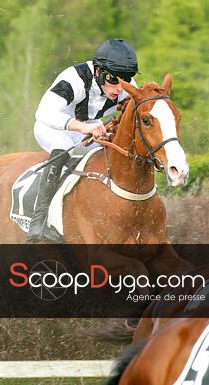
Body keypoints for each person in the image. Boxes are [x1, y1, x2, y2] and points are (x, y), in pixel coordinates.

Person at [28, 38, 139, 243]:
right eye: (113, 79)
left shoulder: (127, 87)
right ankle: (39, 218)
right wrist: (84, 128)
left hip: (89, 128)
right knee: (64, 146)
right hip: (53, 126)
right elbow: (43, 113)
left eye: (125, 79)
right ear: (98, 71)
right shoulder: (74, 79)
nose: (119, 88)